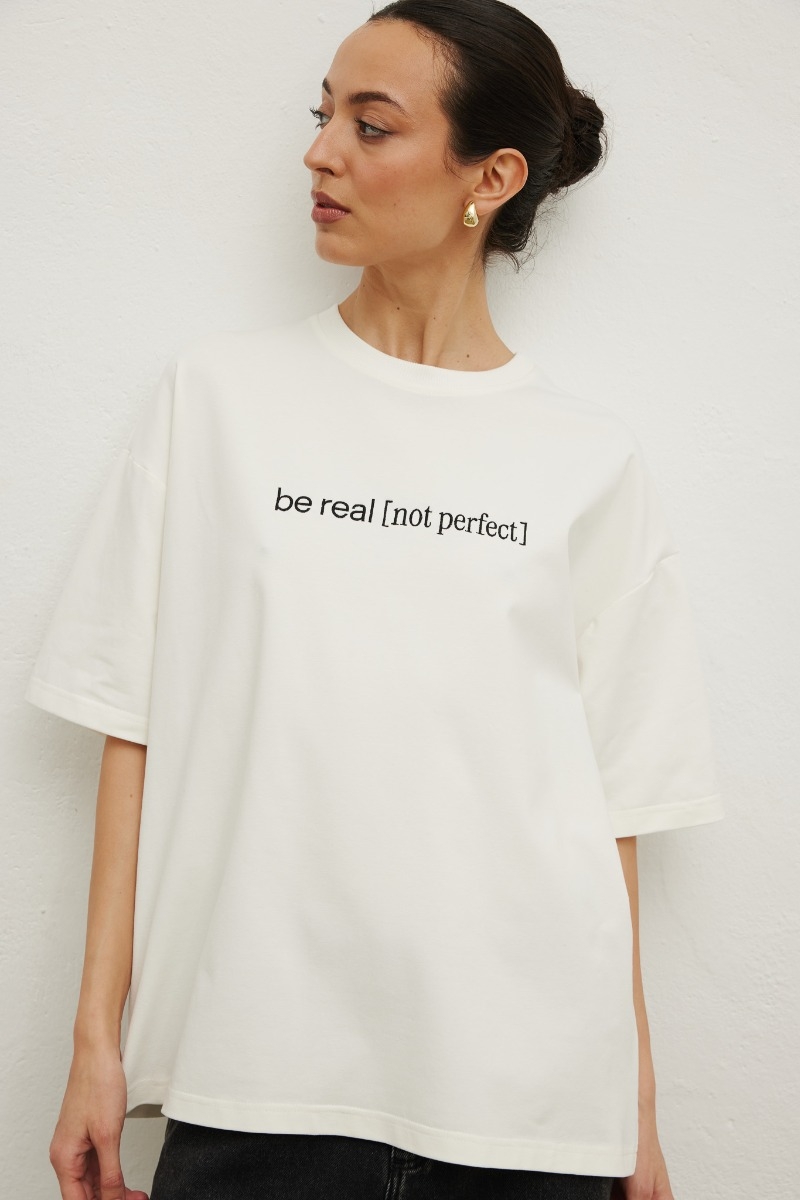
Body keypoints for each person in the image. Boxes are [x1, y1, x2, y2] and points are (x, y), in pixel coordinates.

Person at [26, 2, 725, 1198]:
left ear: (489, 177)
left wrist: (632, 1114)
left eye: (371, 124)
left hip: (525, 1111)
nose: (318, 153)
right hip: (256, 1085)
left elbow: (611, 804)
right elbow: (126, 722)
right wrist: (96, 1043)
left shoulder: (585, 459)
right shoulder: (217, 401)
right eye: (322, 115)